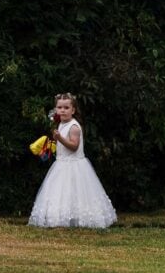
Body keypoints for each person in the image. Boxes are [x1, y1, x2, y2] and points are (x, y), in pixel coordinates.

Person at [28, 93, 116, 228]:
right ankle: (60, 218)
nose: (62, 110)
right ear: (55, 109)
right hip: (62, 164)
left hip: (75, 165)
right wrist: (52, 145)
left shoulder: (74, 127)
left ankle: (80, 218)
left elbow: (74, 146)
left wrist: (60, 139)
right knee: (61, 192)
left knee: (76, 192)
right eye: (59, 107)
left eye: (66, 107)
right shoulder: (60, 125)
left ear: (73, 110)